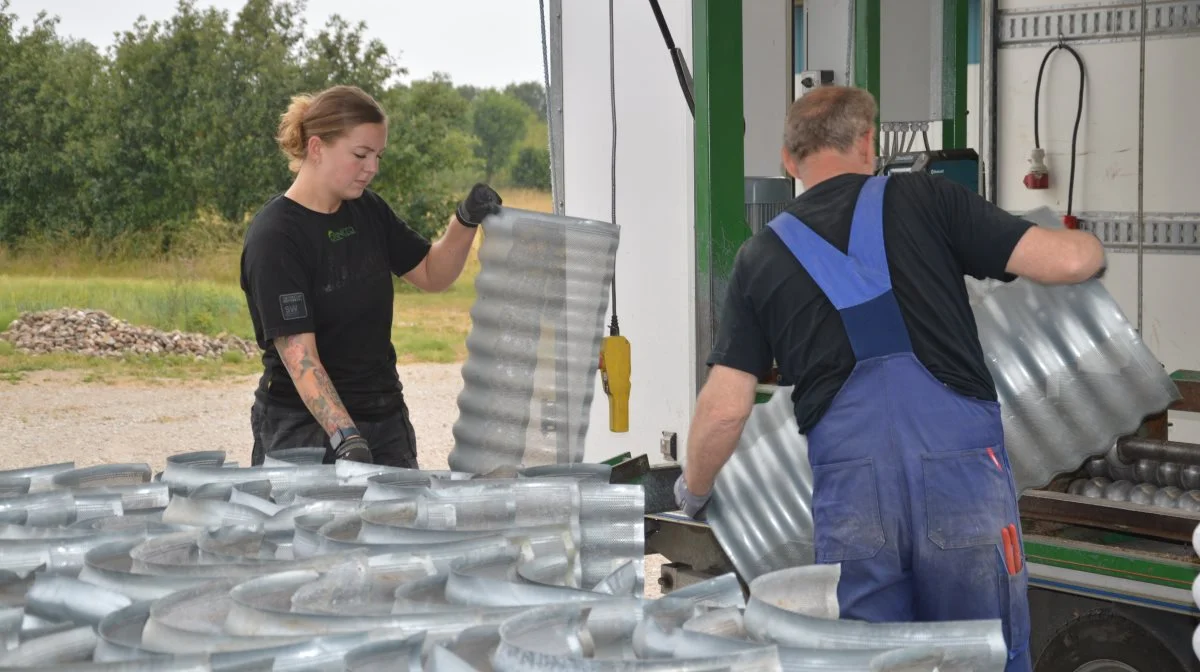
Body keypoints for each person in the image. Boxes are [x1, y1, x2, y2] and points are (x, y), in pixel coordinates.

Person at [673, 86, 1104, 671]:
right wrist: (1089, 245)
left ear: (788, 159)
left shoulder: (759, 258)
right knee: (983, 654)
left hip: (855, 495)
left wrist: (693, 492)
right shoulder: (927, 197)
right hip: (961, 479)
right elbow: (1068, 262)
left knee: (872, 661)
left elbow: (724, 409)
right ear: (868, 142)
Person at [240, 84, 502, 468]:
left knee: (398, 528)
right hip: (303, 428)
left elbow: (432, 274)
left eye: (378, 155)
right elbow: (301, 357)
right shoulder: (276, 236)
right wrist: (344, 436)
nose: (373, 168)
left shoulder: (367, 211)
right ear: (316, 148)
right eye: (361, 154)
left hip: (384, 418)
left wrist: (465, 219)